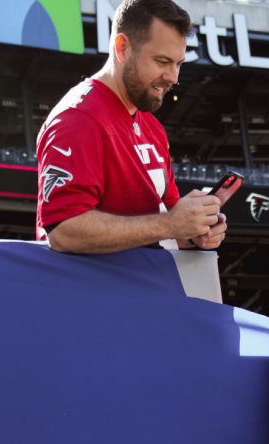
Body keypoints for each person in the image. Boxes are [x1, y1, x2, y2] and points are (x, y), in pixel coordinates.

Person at [34, 0, 226, 254]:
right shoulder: (78, 118)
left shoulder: (152, 127)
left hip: (140, 288)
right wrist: (171, 224)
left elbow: (166, 226)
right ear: (123, 47)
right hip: (87, 291)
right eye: (162, 61)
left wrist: (194, 231)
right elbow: (64, 232)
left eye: (178, 64)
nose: (173, 77)